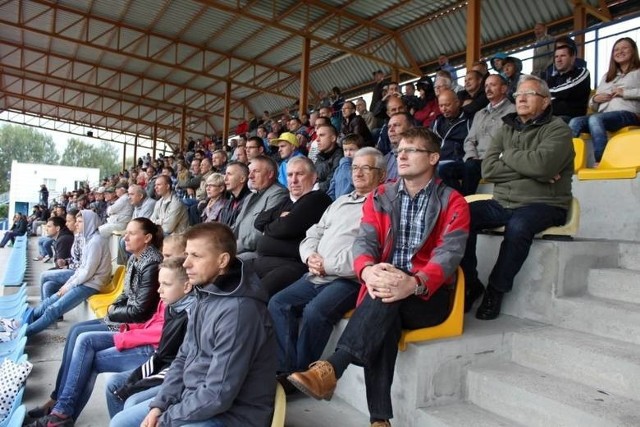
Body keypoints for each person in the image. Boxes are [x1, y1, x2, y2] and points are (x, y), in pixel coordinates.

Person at [287, 127, 470, 427]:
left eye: (412, 150)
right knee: (386, 304)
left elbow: (448, 255)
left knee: (386, 296)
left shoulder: (454, 202)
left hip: (427, 294)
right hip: (381, 285)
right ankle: (379, 420)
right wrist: (367, 269)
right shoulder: (381, 195)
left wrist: (413, 282)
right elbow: (365, 242)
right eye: (400, 151)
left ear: (434, 158)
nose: (402, 155)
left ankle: (332, 369)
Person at [25, 218, 165, 423]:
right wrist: (113, 309)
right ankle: (57, 400)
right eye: (126, 232)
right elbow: (125, 296)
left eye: (131, 233)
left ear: (147, 238)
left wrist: (113, 312)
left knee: (84, 339)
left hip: (129, 323)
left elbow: (140, 311)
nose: (125, 237)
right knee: (75, 332)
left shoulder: (152, 262)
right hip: (122, 317)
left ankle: (61, 411)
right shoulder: (135, 258)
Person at [137, 223, 276, 426]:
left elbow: (218, 394)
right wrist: (161, 404)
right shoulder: (206, 293)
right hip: (196, 398)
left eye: (196, 256)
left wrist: (166, 419)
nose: (186, 264)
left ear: (222, 261)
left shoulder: (239, 311)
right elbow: (183, 357)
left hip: (233, 414)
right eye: (186, 254)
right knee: (124, 418)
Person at [269, 147, 386, 389]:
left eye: (367, 168)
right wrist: (310, 256)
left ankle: (299, 375)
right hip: (316, 272)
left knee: (315, 312)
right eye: (355, 167)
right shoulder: (341, 201)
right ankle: (285, 368)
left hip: (349, 279)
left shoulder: (382, 205)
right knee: (278, 303)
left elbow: (369, 251)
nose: (359, 173)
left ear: (382, 175)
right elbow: (314, 232)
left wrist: (328, 265)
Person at [462, 75, 574, 320]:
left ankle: (496, 289)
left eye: (529, 94)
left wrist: (508, 156)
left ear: (545, 102)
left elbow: (543, 166)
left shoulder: (558, 129)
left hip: (545, 203)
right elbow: (488, 169)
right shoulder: (506, 127)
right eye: (518, 94)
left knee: (519, 225)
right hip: (503, 202)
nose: (521, 98)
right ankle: (470, 284)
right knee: (460, 215)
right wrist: (532, 168)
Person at [107, 257, 195, 425]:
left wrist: (135, 385)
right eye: (159, 284)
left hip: (175, 375)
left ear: (186, 286)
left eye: (166, 285)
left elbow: (179, 364)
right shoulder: (172, 306)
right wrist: (135, 380)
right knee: (113, 384)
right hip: (161, 364)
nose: (159, 291)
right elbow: (161, 356)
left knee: (130, 401)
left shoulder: (192, 314)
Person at [249, 157, 332, 297]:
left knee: (256, 294)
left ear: (314, 177)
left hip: (293, 265)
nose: (293, 180)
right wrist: (279, 217)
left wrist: (269, 228)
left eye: (299, 174)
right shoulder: (288, 201)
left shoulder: (318, 199)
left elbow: (285, 227)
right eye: (289, 175)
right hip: (266, 260)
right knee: (228, 274)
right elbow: (258, 221)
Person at [25, 210, 112, 337]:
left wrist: (69, 286)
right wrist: (69, 283)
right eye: (76, 221)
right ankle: (24, 322)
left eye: (80, 221)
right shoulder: (89, 239)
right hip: (84, 281)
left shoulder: (96, 242)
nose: (77, 224)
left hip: (91, 284)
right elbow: (81, 269)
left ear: (90, 223)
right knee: (49, 301)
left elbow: (88, 271)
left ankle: (24, 333)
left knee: (53, 310)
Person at [569, 37, 640, 163]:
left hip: (629, 114)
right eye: (616, 50)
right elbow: (593, 106)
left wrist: (625, 93)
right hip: (604, 116)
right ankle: (565, 161)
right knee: (575, 121)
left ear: (633, 51)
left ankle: (601, 160)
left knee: (595, 119)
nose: (619, 51)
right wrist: (596, 99)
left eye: (624, 48)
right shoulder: (607, 76)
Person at [462, 74, 516, 196]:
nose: (488, 89)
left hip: (494, 161)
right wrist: (471, 156)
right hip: (475, 160)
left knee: (470, 167)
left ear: (504, 89)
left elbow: (511, 141)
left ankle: (463, 206)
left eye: (493, 85)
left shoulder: (513, 111)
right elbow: (469, 140)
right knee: (445, 169)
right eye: (486, 86)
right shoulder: (479, 114)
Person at [39, 211, 80, 300]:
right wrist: (66, 262)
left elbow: (61, 267)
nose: (46, 229)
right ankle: (50, 312)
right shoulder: (71, 237)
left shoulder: (64, 239)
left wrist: (66, 264)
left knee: (44, 275)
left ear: (57, 228)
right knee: (48, 286)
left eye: (49, 226)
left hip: (76, 273)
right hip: (72, 269)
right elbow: (71, 260)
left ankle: (42, 309)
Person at [546, 43, 591, 123]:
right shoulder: (552, 79)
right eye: (556, 57)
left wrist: (546, 93)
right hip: (552, 116)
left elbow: (569, 88)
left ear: (572, 58)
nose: (558, 59)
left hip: (573, 119)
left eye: (563, 56)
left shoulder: (582, 72)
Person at [326, 134, 364, 200]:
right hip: (337, 205)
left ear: (360, 150)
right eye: (345, 150)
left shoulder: (362, 168)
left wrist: (345, 163)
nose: (348, 154)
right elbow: (331, 189)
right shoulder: (339, 169)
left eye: (351, 150)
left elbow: (354, 181)